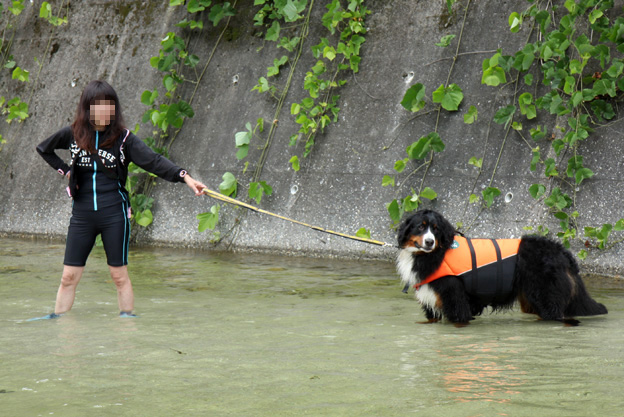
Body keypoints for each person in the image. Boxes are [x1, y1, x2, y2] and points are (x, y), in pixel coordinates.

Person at [35, 80, 206, 319]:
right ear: (87, 108)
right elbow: (44, 149)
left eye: (109, 106)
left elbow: (154, 161)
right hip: (82, 216)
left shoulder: (123, 139)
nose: (105, 111)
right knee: (68, 277)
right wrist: (66, 171)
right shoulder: (73, 134)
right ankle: (59, 322)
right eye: (98, 106)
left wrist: (185, 177)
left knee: (118, 275)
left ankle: (126, 325)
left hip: (114, 215)